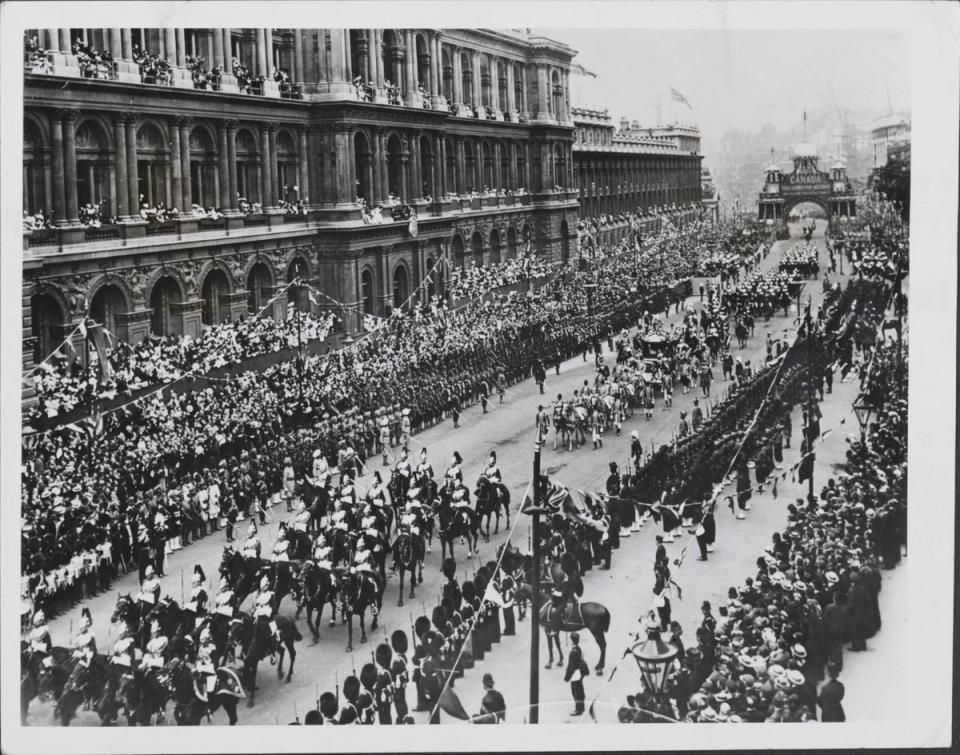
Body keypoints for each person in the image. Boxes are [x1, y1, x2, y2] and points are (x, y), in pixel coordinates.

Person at [565, 632, 587, 716]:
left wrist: (567, 677)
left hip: (575, 675)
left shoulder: (573, 652)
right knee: (580, 690)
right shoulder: (579, 649)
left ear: (572, 641)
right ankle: (581, 707)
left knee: (575, 692)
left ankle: (578, 710)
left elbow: (571, 666)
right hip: (579, 673)